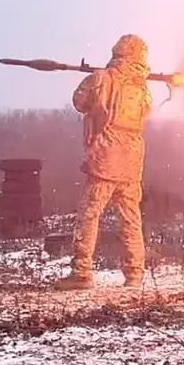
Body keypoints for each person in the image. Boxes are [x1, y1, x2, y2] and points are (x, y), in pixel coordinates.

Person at [53, 34, 152, 291]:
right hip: (132, 159)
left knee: (89, 214)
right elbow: (147, 111)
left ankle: (82, 272)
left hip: (106, 157)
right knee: (130, 217)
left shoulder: (103, 78)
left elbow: (79, 102)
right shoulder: (141, 87)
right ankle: (134, 274)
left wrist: (93, 78)